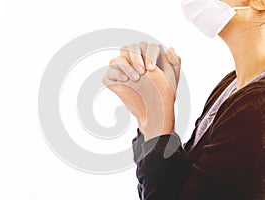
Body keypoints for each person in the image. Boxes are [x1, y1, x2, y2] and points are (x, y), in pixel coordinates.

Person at [102, 0, 265, 199]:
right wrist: (151, 119)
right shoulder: (233, 85)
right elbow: (184, 188)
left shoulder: (258, 109)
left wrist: (156, 119)